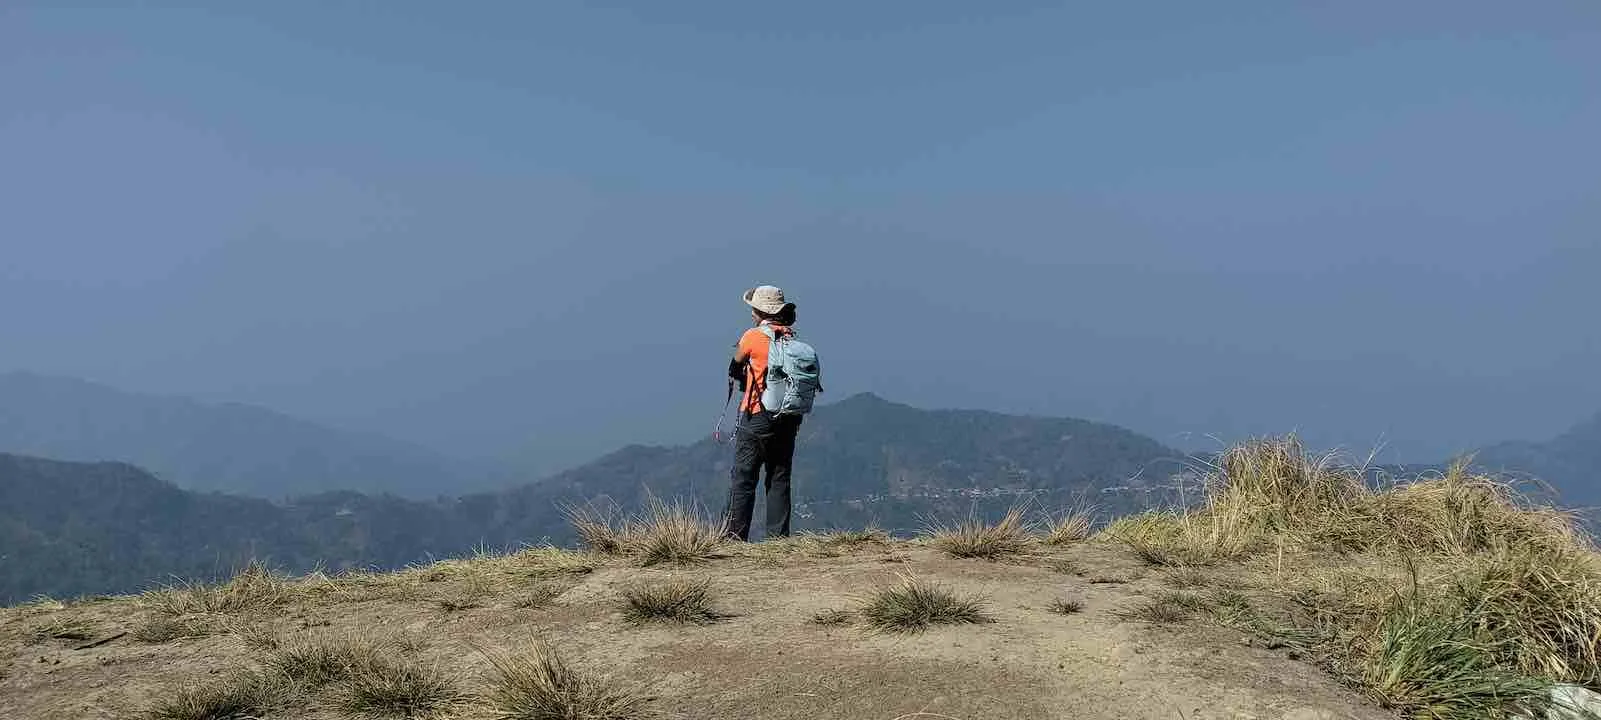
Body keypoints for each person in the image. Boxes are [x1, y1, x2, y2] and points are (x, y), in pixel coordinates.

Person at [723, 285, 805, 541]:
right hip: (788, 417)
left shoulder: (752, 336)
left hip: (757, 415)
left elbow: (734, 368)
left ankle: (734, 539)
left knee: (744, 477)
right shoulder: (790, 338)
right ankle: (779, 540)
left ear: (760, 312)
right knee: (779, 477)